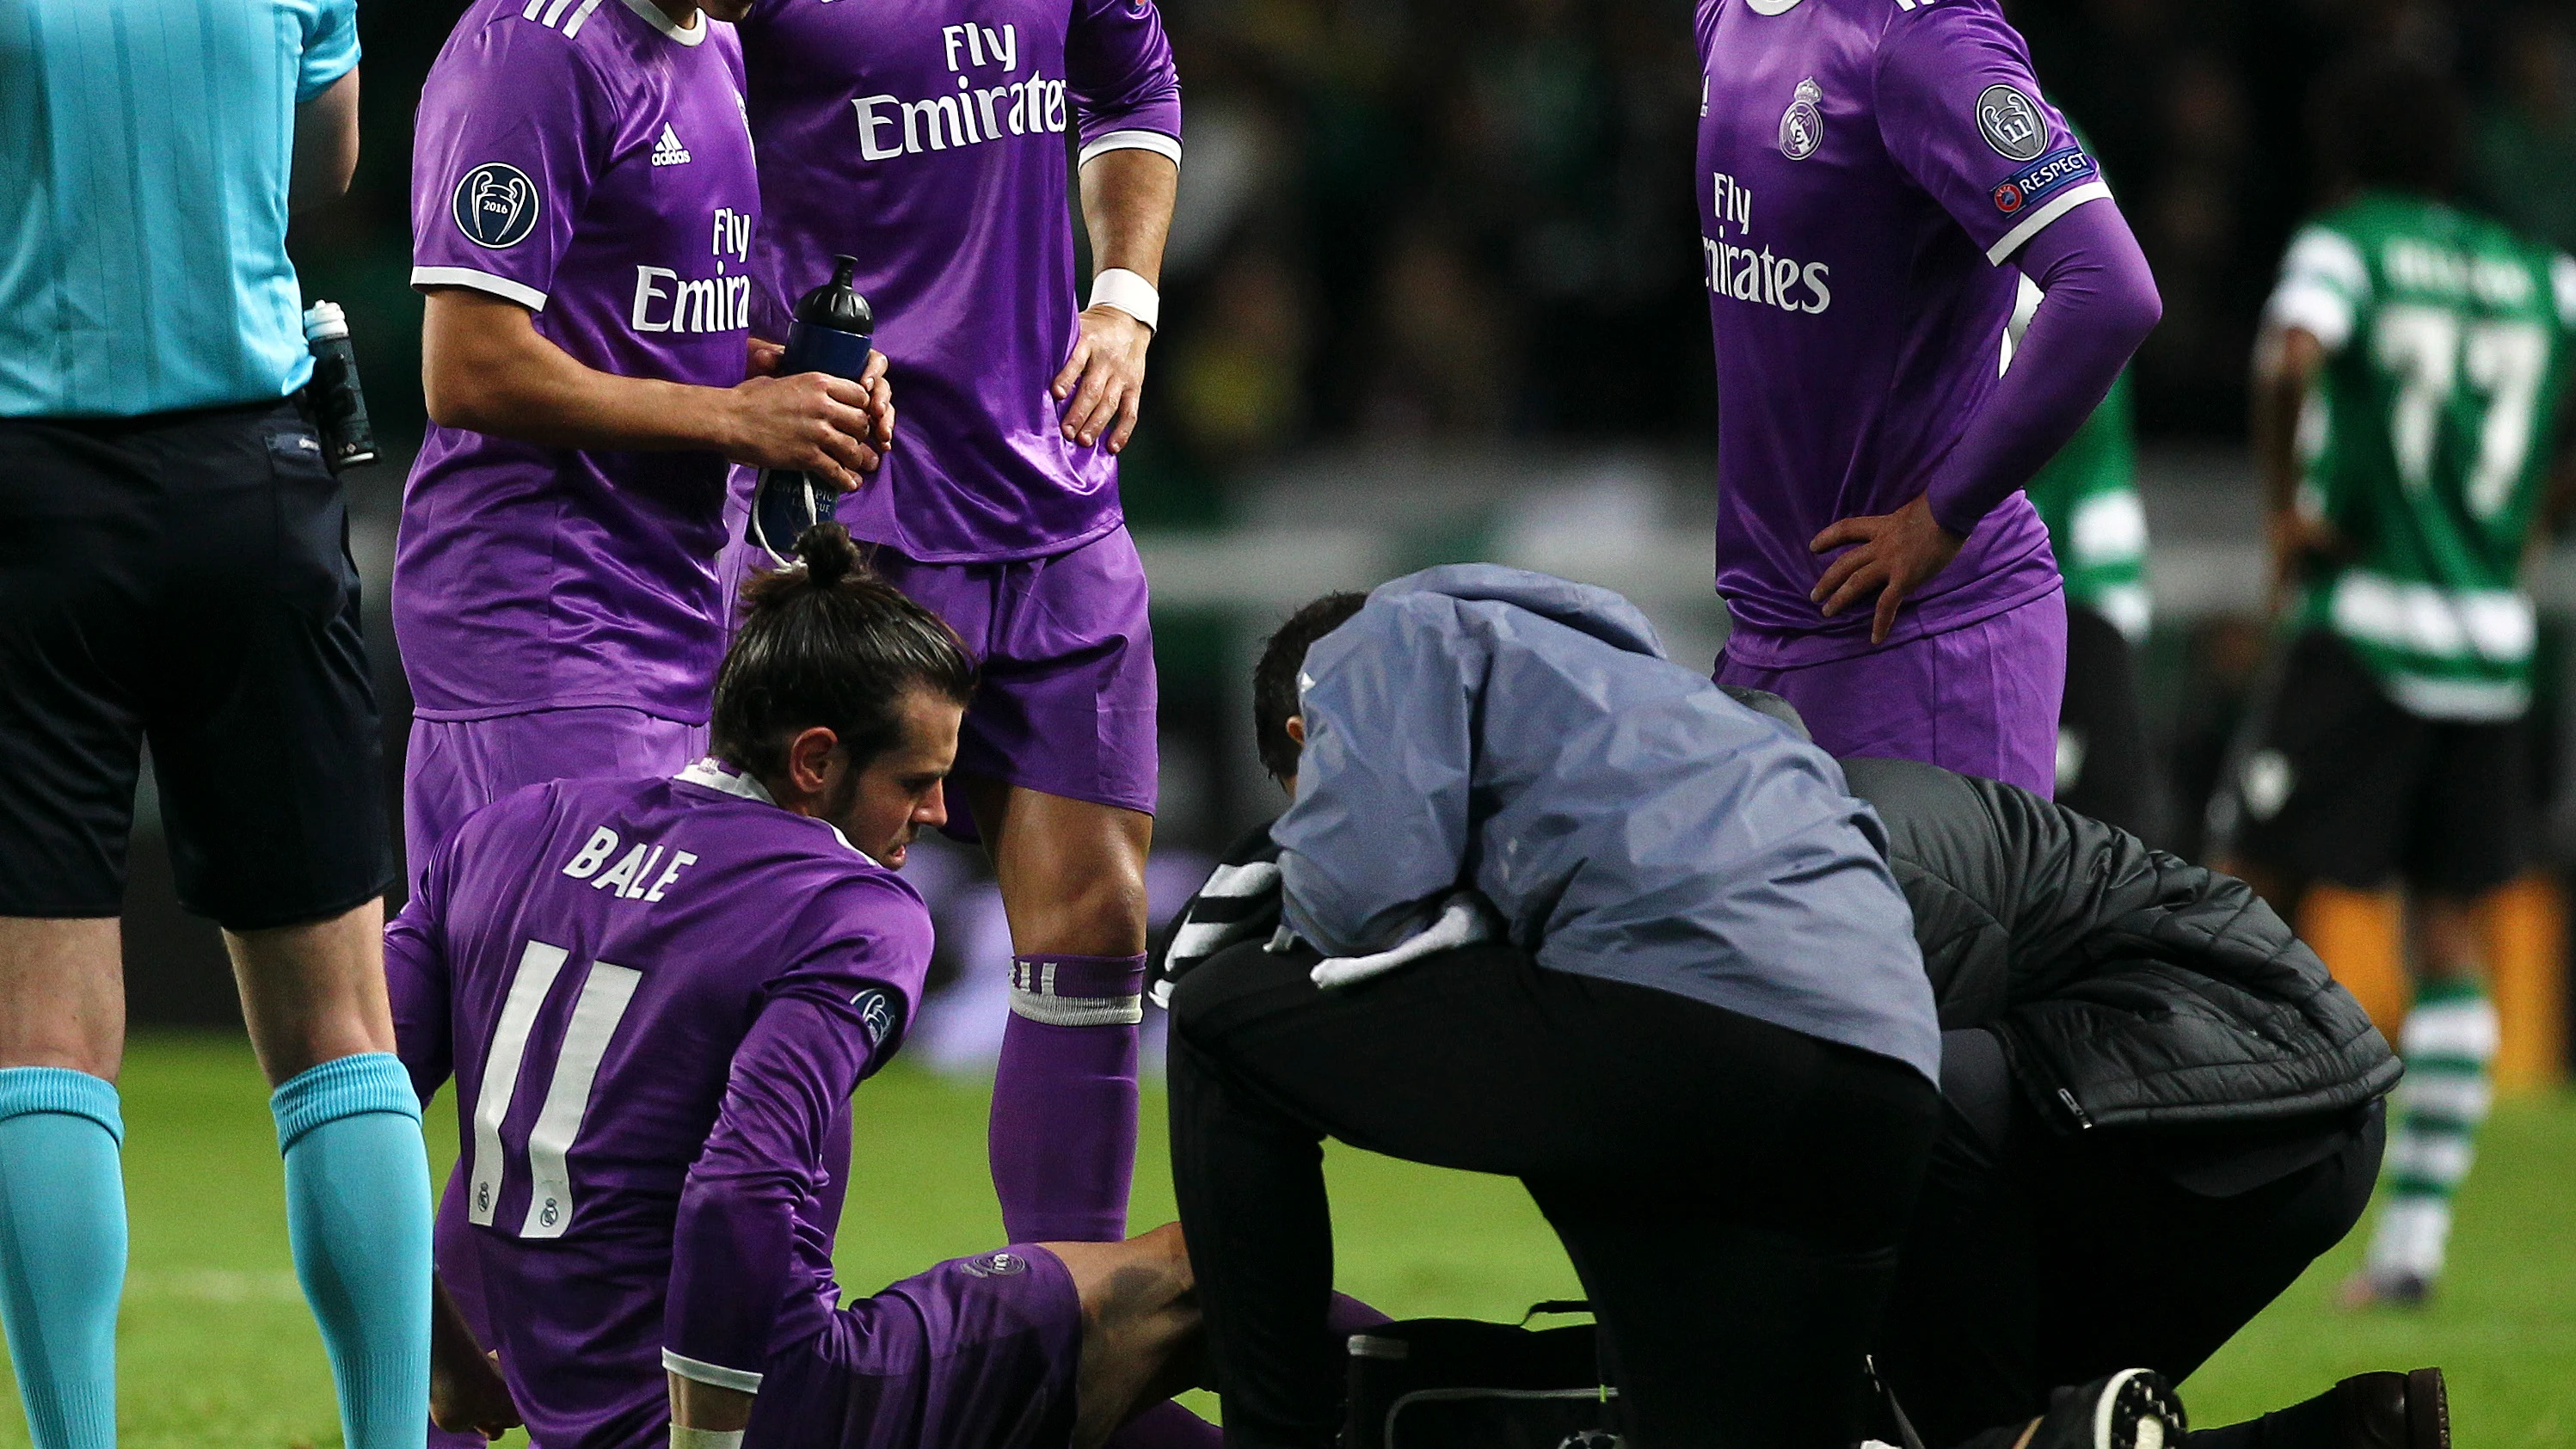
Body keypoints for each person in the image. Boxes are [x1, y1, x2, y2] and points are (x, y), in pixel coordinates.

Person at [1163, 588, 2437, 1449]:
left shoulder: (1708, 839)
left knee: (1884, 1223)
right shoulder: (1684, 773)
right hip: (2158, 1091)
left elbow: (1795, 1033)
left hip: (2238, 1076)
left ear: (1316, 735)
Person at [389, 525, 1207, 1449]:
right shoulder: (850, 905)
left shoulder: (514, 828)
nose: (939, 813)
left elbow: (354, 1109)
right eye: (918, 779)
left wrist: (442, 1359)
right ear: (815, 760)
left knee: (1078, 1394)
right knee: (1202, 1276)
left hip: (571, 1408)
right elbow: (737, 1187)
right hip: (768, 1400)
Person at [1163, 566, 1988, 1449]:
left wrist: (1288, 892)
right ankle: (2054, 1431)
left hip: (1689, 1020)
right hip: (1887, 1076)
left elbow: (1360, 896)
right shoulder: (1648, 687)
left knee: (1219, 1015)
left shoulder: (1371, 643)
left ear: (1304, 732)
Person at [0, 6, 435, 1449]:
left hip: (30, 503)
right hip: (251, 481)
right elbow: (327, 158)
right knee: (339, 1030)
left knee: (43, 1043)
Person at [731, 0, 1184, 1377]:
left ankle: (1065, 1345)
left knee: (1095, 927)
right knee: (791, 943)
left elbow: (1136, 88)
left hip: (1056, 501)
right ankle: (759, 1334)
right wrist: (729, 331)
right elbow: (660, 116)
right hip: (853, 515)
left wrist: (1122, 298)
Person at [2223, 52, 2576, 1308]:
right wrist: (2533, 516)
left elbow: (2287, 356)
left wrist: (2280, 512)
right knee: (2450, 935)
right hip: (2489, 646)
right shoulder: (2538, 273)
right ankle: (2412, 1248)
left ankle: (2192, 1176)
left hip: (2363, 625)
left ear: (2343, 148)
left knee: (2232, 902)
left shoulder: (2345, 242)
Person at [399, 0, 898, 887]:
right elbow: (470, 364)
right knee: (545, 995)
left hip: (680, 616)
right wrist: (736, 419)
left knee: (640, 1003)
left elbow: (635, 324)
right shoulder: (533, 49)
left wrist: (781, 386)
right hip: (545, 617)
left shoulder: (718, 49)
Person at [1695, 0, 2161, 795]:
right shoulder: (1724, 15)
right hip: (1769, 632)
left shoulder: (1915, 38)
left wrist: (1945, 510)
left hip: (1925, 642)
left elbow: (2110, 291)